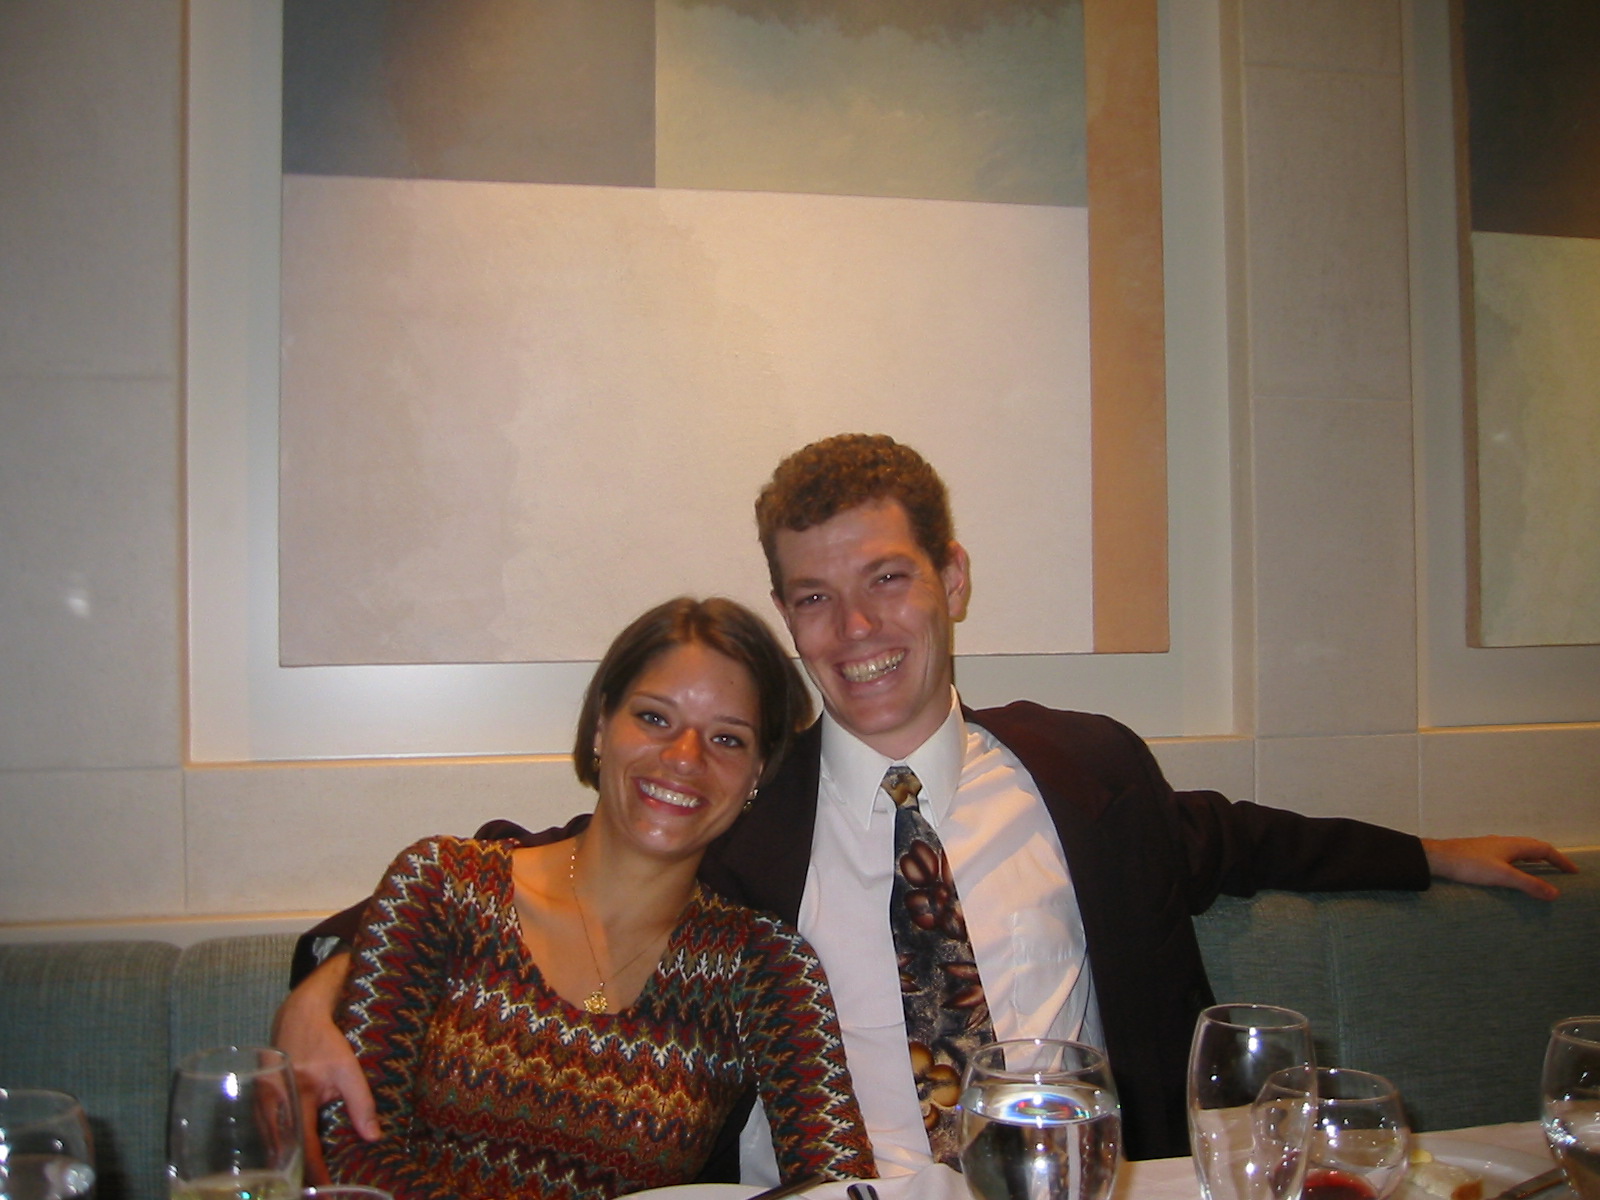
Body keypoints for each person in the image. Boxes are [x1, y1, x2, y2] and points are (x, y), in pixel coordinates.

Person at [278, 434, 1577, 1177]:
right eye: (814, 598)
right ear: (786, 614)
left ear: (951, 579)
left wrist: (1434, 851)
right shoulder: (746, 809)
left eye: (887, 580)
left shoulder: (1086, 775)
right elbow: (553, 862)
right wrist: (326, 974)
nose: (855, 629)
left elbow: (1234, 837)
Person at [308, 596, 875, 1200]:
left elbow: (840, 1184)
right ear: (603, 725)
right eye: (655, 718)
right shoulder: (444, 888)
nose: (686, 757)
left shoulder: (762, 966)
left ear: (758, 773)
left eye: (727, 739)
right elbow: (353, 1153)